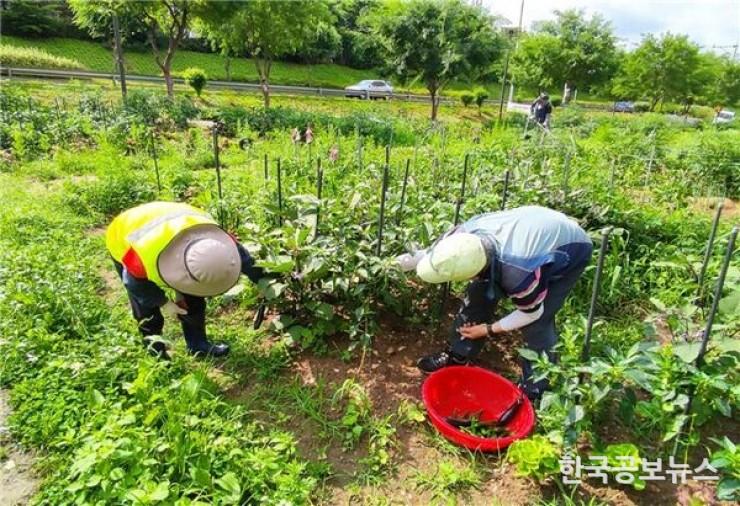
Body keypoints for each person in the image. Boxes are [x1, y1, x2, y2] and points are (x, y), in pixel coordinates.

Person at [396, 206, 592, 400]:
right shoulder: (460, 239)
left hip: (570, 246)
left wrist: (488, 329)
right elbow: (428, 255)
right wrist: (387, 266)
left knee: (537, 325)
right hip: (529, 227)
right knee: (477, 293)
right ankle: (459, 356)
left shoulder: (521, 273)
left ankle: (534, 389)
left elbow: (531, 313)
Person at [106, 201, 267, 359]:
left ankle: (198, 346)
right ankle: (156, 354)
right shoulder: (142, 257)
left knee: (193, 296)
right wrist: (163, 302)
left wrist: (266, 282)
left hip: (177, 222)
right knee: (147, 310)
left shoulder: (219, 241)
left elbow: (247, 262)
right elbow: (134, 284)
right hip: (124, 234)